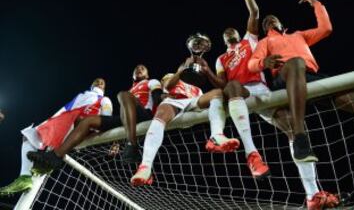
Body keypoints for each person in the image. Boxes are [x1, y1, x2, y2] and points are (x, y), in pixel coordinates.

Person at [248, 0, 343, 209]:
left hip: (309, 76)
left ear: (282, 25)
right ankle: (300, 137)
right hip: (286, 76)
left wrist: (318, 5)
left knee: (349, 94)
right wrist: (264, 61)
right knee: (295, 63)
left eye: (273, 20)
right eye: (266, 22)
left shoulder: (299, 35)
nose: (269, 22)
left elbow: (326, 29)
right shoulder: (265, 42)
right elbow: (252, 64)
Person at [196, 0, 270, 179]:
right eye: (226, 33)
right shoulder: (221, 58)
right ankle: (252, 155)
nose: (229, 33)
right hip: (241, 94)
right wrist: (208, 70)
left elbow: (254, 12)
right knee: (230, 86)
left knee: (292, 129)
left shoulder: (249, 40)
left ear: (238, 33)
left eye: (232, 31)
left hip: (261, 90)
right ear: (224, 39)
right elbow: (222, 83)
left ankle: (313, 192)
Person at [26, 64, 163, 172]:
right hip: (127, 119)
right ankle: (56, 156)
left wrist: (160, 115)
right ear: (133, 75)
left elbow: (157, 97)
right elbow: (124, 118)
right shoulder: (131, 90)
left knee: (122, 95)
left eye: (143, 68)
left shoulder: (151, 82)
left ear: (147, 74)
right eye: (136, 68)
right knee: (88, 121)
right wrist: (116, 142)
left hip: (145, 114)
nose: (139, 69)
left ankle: (132, 146)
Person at [131, 57, 240, 186]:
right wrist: (181, 70)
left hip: (192, 102)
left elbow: (202, 100)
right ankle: (145, 167)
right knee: (159, 117)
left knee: (217, 93)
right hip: (174, 101)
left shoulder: (196, 88)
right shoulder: (172, 76)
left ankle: (216, 136)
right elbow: (168, 85)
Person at [0, 78, 112, 196]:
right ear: (91, 84)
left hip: (79, 131)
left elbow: (106, 119)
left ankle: (37, 170)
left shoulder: (104, 100)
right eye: (97, 81)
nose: (99, 83)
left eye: (102, 82)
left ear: (104, 88)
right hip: (63, 125)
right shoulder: (82, 96)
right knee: (28, 137)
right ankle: (25, 178)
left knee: (38, 147)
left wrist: (110, 141)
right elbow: (64, 111)